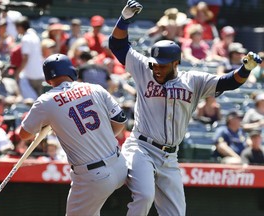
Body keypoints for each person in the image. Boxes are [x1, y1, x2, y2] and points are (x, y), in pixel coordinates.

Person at [108, 1, 262, 215]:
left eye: (163, 65)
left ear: (176, 63)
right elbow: (118, 46)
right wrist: (124, 20)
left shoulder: (194, 81)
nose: (157, 69)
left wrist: (245, 70)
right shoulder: (145, 68)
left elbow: (228, 82)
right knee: (144, 196)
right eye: (155, 64)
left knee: (176, 213)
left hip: (170, 157)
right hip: (141, 148)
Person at [18, 53, 128, 216]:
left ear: (48, 80)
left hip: (93, 177)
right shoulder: (95, 88)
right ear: (72, 71)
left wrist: (48, 122)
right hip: (120, 166)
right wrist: (99, 137)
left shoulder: (45, 101)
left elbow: (24, 134)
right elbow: (120, 121)